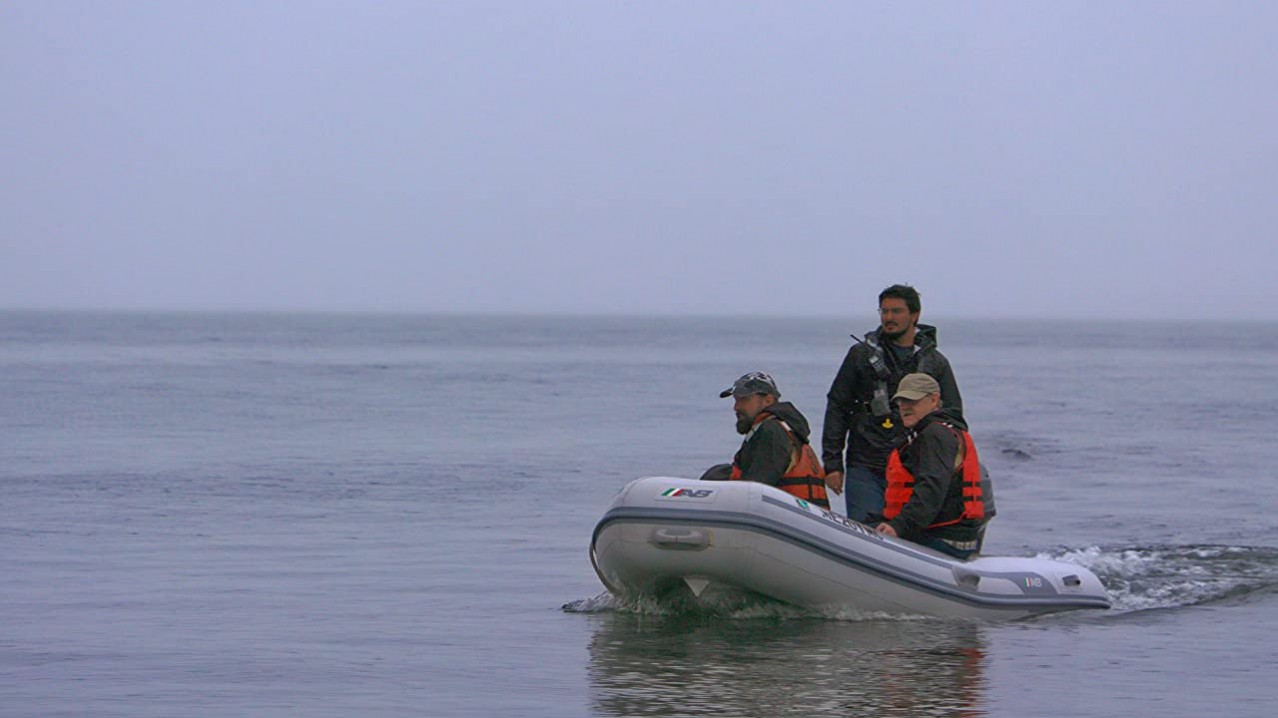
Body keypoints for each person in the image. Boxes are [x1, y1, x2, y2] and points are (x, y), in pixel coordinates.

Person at [822, 284, 962, 520]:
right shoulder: (861, 355)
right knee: (865, 532)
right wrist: (832, 462)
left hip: (913, 465)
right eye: (884, 311)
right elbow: (837, 406)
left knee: (906, 533)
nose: (889, 318)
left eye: (896, 311)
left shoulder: (935, 363)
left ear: (914, 315)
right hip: (865, 462)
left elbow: (953, 415)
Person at [872, 373, 990, 559]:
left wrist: (898, 526)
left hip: (944, 539)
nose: (905, 407)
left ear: (934, 400)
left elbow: (931, 488)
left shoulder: (935, 435)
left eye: (913, 401)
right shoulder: (944, 430)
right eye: (901, 401)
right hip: (952, 535)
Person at [716, 371, 829, 508]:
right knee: (719, 473)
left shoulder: (771, 431)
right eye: (736, 400)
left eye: (744, 399)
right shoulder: (787, 429)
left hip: (789, 519)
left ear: (768, 400)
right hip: (804, 516)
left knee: (717, 476)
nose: (736, 407)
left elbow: (755, 488)